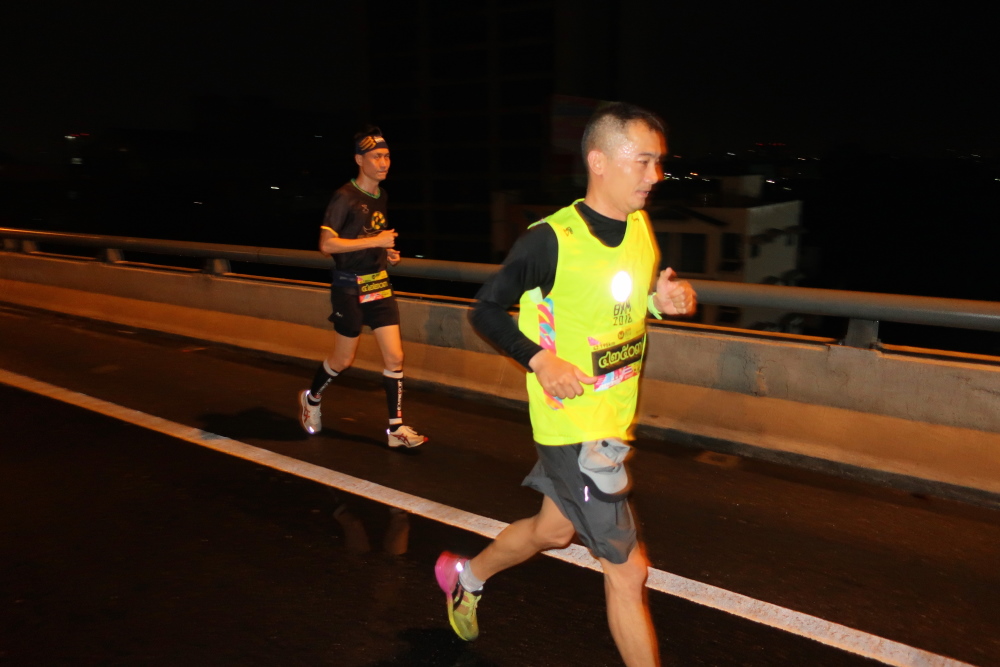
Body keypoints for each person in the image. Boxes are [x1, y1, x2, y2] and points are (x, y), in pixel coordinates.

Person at [434, 103, 696, 667]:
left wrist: (661, 300)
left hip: (611, 422)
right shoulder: (549, 240)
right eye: (643, 161)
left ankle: (467, 576)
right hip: (574, 430)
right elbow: (485, 309)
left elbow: (617, 305)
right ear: (599, 162)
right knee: (628, 571)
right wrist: (539, 360)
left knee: (553, 532)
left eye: (658, 162)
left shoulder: (638, 227)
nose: (655, 175)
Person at [297, 126, 427, 448]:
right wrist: (375, 242)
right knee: (343, 360)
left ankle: (396, 430)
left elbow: (368, 236)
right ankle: (311, 399)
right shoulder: (345, 196)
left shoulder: (382, 196)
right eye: (377, 157)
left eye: (387, 156)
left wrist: (386, 252)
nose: (384, 163)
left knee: (395, 356)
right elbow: (327, 245)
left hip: (378, 283)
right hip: (349, 287)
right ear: (359, 160)